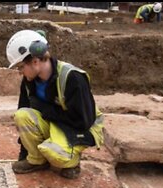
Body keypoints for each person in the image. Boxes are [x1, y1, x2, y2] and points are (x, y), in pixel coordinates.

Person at [6, 30, 104, 179]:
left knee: (54, 153)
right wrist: (24, 155)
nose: (20, 72)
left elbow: (83, 121)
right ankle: (37, 161)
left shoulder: (73, 78)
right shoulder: (29, 81)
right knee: (22, 116)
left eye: (20, 67)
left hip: (81, 126)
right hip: (56, 121)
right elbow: (24, 111)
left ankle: (72, 161)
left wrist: (47, 112)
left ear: (35, 61)